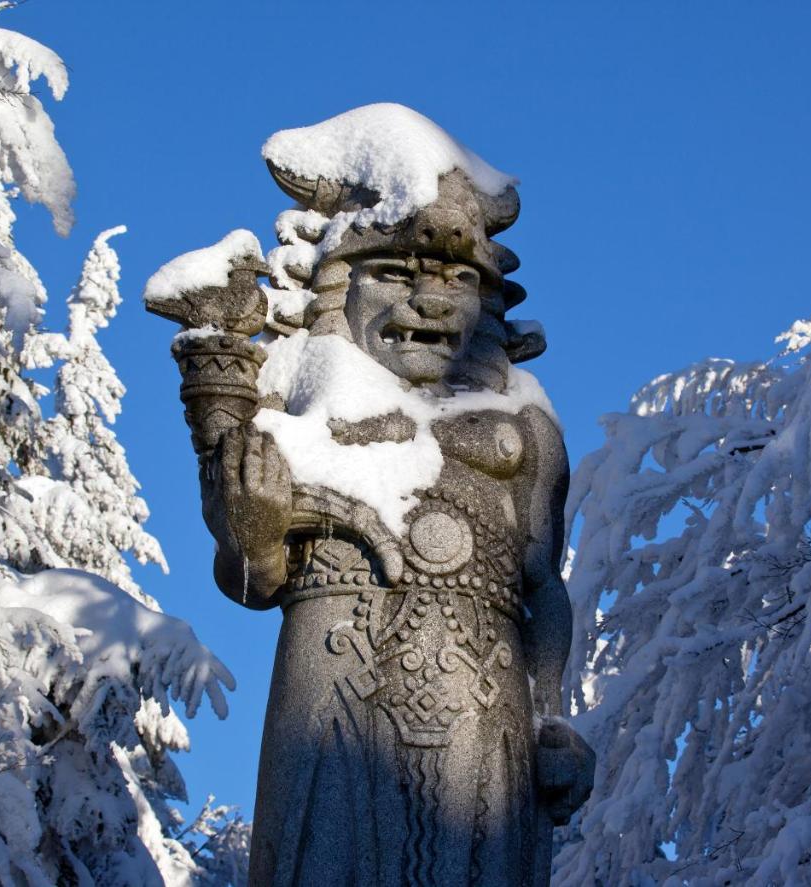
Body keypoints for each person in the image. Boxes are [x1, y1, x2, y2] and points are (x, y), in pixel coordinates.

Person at [196, 161, 594, 886]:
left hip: (485, 704)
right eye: (395, 272)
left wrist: (551, 716)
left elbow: (543, 586)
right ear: (337, 284)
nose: (432, 302)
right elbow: (252, 578)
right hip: (331, 694)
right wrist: (253, 533)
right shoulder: (292, 420)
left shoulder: (526, 428)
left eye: (460, 280)